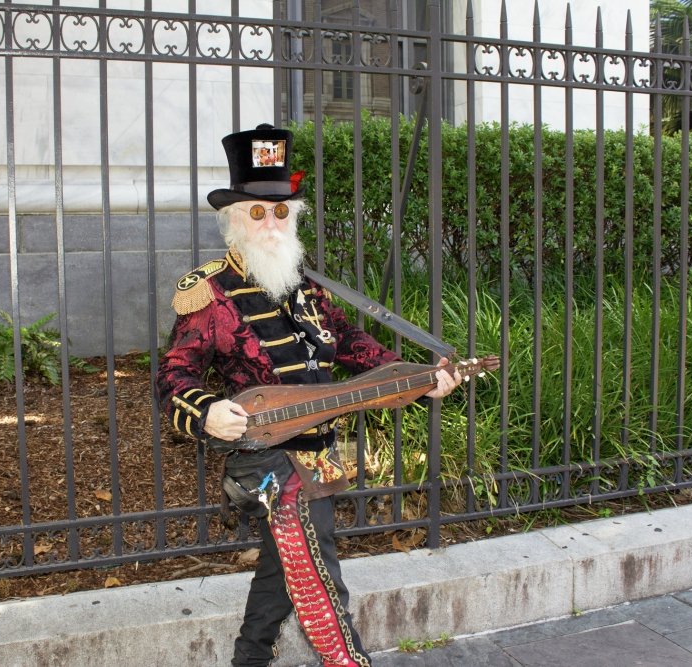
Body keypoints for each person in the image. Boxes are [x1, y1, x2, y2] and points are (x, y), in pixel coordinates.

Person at [155, 123, 462, 667]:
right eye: (256, 212)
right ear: (232, 221)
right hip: (267, 458)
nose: (270, 222)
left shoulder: (309, 288)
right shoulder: (209, 294)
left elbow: (356, 347)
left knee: (284, 569)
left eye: (280, 211)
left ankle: (249, 659)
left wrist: (419, 377)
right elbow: (173, 375)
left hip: (322, 452)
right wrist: (205, 412)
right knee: (319, 575)